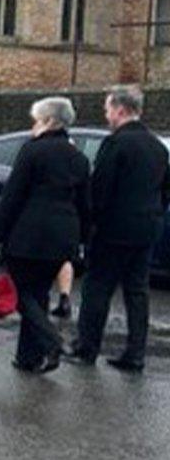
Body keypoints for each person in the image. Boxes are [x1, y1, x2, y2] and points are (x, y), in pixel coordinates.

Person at [68, 86, 170, 372]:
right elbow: (165, 190)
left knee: (97, 287)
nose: (106, 115)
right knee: (137, 291)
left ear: (121, 110)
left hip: (114, 228)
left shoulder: (116, 144)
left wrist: (90, 224)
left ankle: (87, 346)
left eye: (108, 109)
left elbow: (100, 190)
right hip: (148, 227)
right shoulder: (158, 146)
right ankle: (135, 353)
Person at [0, 97, 90, 374]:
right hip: (63, 235)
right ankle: (27, 356)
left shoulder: (33, 151)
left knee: (23, 296)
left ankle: (52, 341)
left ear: (49, 121)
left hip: (29, 233)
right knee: (38, 294)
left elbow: (13, 196)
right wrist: (82, 238)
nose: (33, 126)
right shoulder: (79, 158)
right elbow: (85, 203)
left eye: (36, 120)